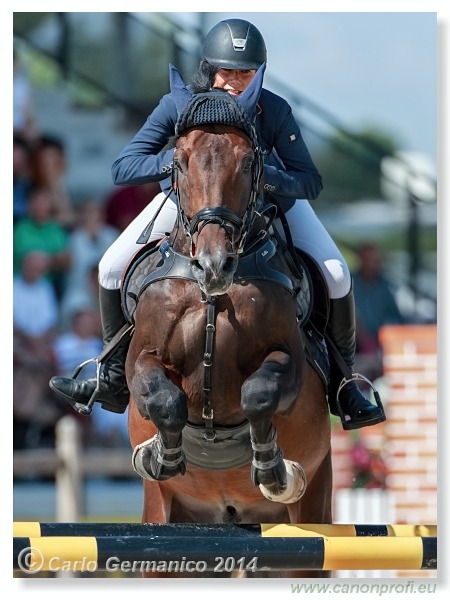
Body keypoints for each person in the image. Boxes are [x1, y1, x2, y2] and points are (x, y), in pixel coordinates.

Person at [50, 18, 385, 430]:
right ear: (210, 69)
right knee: (111, 266)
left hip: (269, 204)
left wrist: (269, 176)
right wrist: (175, 165)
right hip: (190, 203)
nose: (237, 82)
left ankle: (344, 384)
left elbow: (310, 180)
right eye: (229, 72)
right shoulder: (178, 106)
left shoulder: (273, 109)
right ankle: (113, 374)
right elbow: (124, 167)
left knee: (335, 273)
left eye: (246, 73)